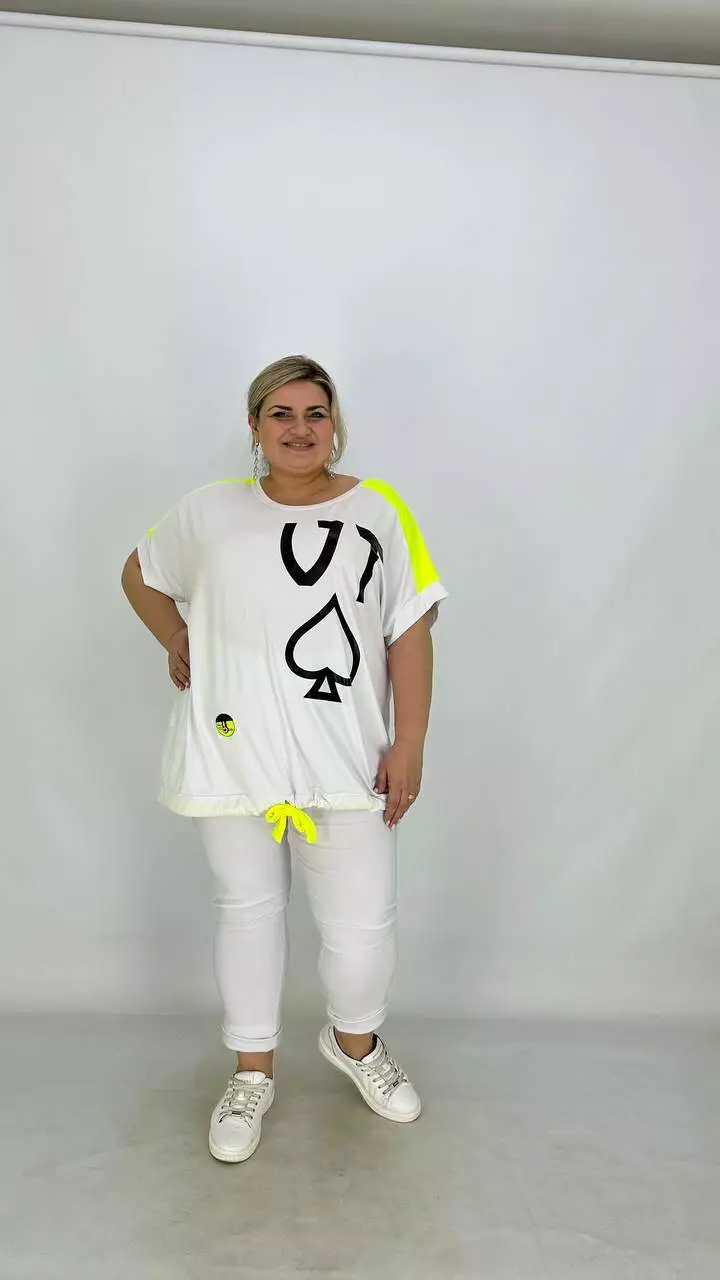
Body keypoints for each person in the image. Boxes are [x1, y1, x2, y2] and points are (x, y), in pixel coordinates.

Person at [121, 354, 448, 1163]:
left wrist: (409, 741)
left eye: (315, 413)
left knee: (362, 929)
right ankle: (252, 1073)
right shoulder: (209, 511)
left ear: (335, 425)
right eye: (281, 414)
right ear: (254, 426)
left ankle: (356, 1044)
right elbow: (140, 572)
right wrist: (175, 635)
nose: (300, 429)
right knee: (248, 911)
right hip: (233, 757)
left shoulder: (379, 511)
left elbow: (409, 627)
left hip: (347, 759)